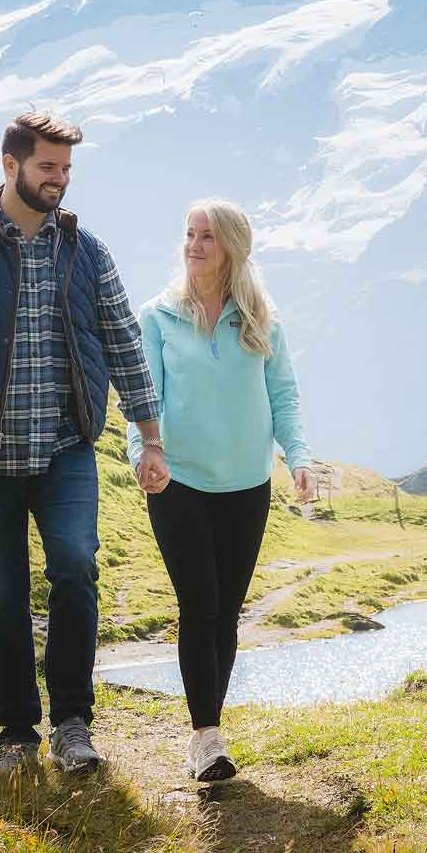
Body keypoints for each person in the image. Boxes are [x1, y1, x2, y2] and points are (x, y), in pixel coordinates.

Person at [0, 111, 162, 776]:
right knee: (3, 598)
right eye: (48, 168)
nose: (59, 182)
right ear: (9, 163)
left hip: (66, 448)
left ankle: (73, 724)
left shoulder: (85, 251)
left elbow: (125, 343)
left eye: (66, 170)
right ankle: (16, 736)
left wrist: (150, 436)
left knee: (75, 568)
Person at [130, 198, 317, 782]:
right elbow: (142, 399)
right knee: (199, 604)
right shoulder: (157, 317)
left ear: (233, 247)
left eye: (207, 236)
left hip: (247, 483)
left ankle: (208, 728)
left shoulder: (262, 320)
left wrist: (299, 457)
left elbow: (283, 396)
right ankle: (206, 738)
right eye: (189, 233)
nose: (194, 245)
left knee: (227, 615)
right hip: (178, 479)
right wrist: (145, 454)